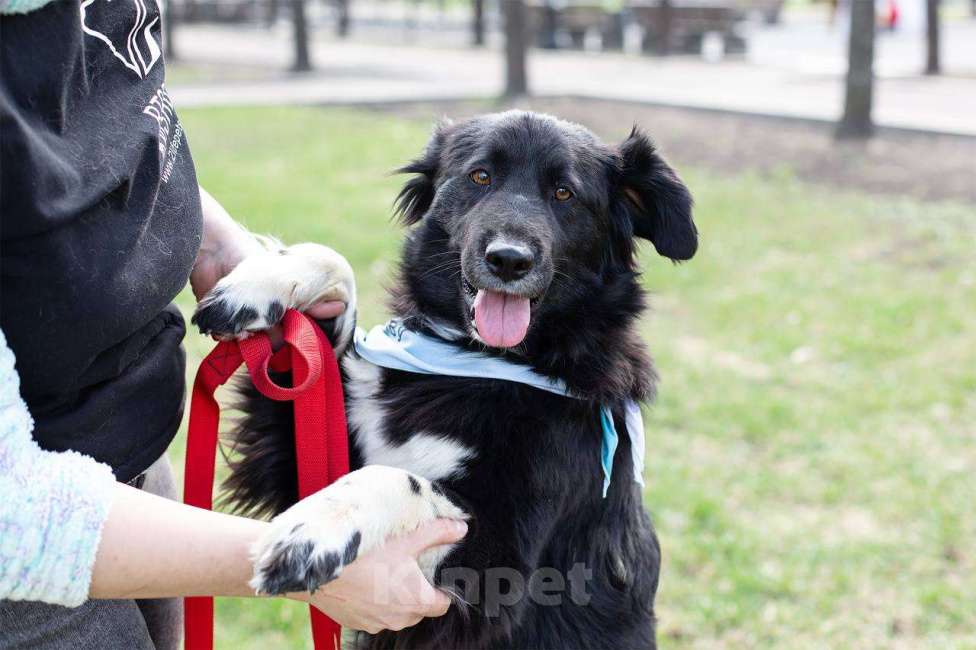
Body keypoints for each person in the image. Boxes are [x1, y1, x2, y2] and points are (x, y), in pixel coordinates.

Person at [0, 1, 467, 648]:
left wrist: (208, 238)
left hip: (123, 446)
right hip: (39, 540)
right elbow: (10, 513)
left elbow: (98, 121)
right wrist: (307, 561)